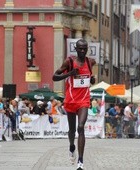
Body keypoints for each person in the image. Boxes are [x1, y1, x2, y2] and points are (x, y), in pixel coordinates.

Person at [52, 39, 96, 170]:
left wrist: (92, 80)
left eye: (84, 49)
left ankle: (80, 162)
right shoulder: (69, 62)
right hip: (70, 100)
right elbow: (54, 76)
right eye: (80, 49)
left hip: (84, 100)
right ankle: (72, 146)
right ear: (76, 49)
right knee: (72, 130)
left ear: (87, 49)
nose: (82, 51)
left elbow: (88, 78)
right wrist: (70, 74)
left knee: (81, 127)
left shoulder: (90, 62)